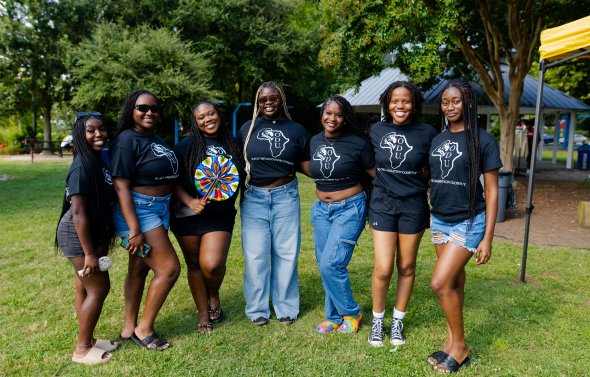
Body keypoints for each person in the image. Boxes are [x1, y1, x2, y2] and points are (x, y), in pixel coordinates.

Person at [427, 79, 501, 373]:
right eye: (445, 102)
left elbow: (493, 190)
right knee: (454, 282)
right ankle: (450, 341)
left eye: (456, 101)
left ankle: (460, 347)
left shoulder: (483, 140)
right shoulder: (437, 139)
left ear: (468, 102)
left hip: (469, 220)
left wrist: (488, 237)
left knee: (439, 283)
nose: (450, 107)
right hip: (439, 219)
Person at [110, 89, 182, 350]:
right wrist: (134, 228)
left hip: (160, 208)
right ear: (132, 110)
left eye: (154, 108)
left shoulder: (154, 139)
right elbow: (120, 186)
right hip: (140, 210)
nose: (149, 112)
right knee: (169, 268)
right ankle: (144, 328)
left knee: (139, 268)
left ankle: (129, 328)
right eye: (143, 108)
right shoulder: (126, 140)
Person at [367, 81, 437, 347]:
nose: (400, 106)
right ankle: (377, 321)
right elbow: (367, 161)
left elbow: (435, 164)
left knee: (406, 266)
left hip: (413, 206)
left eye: (405, 101)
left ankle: (397, 321)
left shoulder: (427, 132)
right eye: (395, 101)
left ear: (414, 104)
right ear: (387, 103)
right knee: (384, 268)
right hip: (383, 204)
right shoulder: (376, 130)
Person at [237, 81, 310, 326]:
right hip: (254, 197)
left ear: (282, 100)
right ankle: (257, 309)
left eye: (273, 98)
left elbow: (306, 164)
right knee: (256, 255)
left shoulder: (297, 130)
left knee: (286, 253)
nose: (268, 102)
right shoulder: (247, 129)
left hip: (286, 196)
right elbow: (236, 165)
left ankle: (286, 307)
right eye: (263, 99)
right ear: (257, 103)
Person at [171, 101, 244, 333]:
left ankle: (213, 293)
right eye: (201, 117)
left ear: (218, 115)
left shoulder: (234, 144)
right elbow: (171, 180)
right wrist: (190, 201)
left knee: (212, 265)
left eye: (210, 113)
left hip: (220, 214)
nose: (207, 119)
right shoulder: (184, 147)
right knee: (194, 264)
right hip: (188, 214)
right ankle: (203, 313)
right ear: (195, 121)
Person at [56, 112, 118, 364]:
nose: (99, 135)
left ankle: (89, 339)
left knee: (84, 286)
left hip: (89, 234)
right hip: (78, 235)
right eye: (91, 131)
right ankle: (81, 349)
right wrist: (90, 253)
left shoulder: (95, 160)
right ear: (80, 135)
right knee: (99, 287)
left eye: (101, 129)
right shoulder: (82, 166)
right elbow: (79, 213)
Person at [310, 96, 375, 334]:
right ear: (322, 115)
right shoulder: (315, 141)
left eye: (338, 114)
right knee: (324, 263)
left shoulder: (358, 143)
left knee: (331, 263)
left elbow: (374, 174)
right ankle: (333, 316)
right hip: (320, 210)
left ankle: (352, 312)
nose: (332, 118)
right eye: (328, 113)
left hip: (350, 208)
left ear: (345, 118)